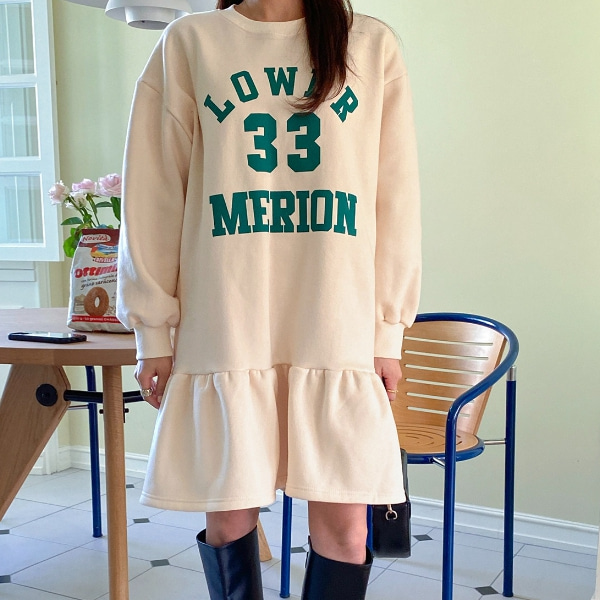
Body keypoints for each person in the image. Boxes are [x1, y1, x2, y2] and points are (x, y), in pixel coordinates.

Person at [117, 0, 421, 597]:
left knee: (346, 527)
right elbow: (153, 193)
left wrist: (388, 331)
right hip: (228, 320)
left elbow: (396, 198)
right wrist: (152, 329)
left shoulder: (369, 44)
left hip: (336, 322)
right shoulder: (191, 42)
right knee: (230, 518)